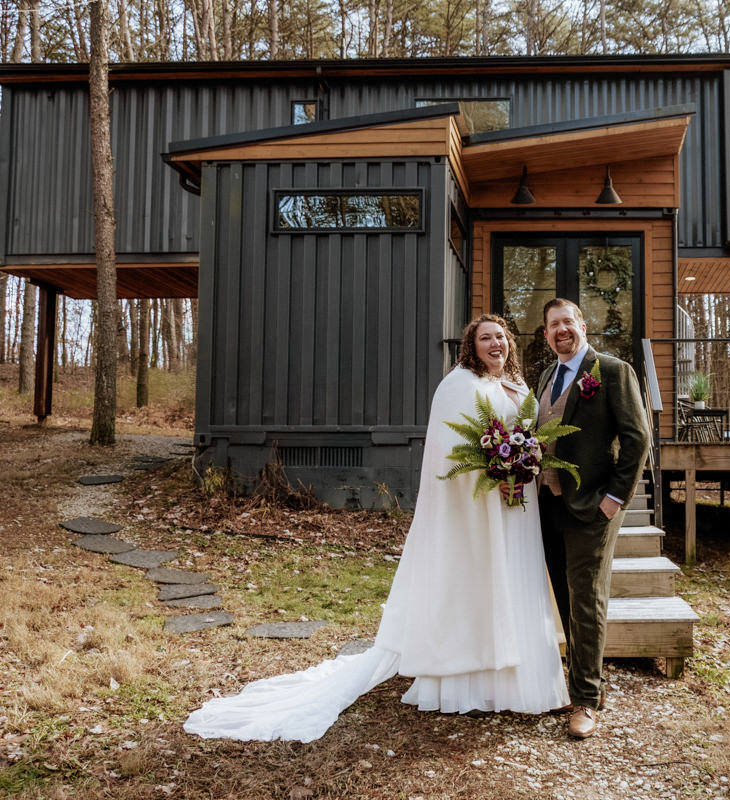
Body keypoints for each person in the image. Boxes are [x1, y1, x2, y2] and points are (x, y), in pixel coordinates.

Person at [183, 314, 569, 742]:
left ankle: (522, 679)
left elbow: (533, 435)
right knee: (481, 579)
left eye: (500, 337)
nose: (495, 344)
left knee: (517, 578)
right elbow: (449, 453)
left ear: (509, 342)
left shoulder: (518, 384)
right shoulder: (460, 384)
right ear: (471, 346)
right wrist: (495, 472)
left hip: (518, 505)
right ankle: (472, 680)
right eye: (485, 338)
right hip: (478, 507)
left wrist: (524, 463)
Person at [534, 297, 649, 740]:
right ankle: (581, 682)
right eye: (552, 325)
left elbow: (638, 441)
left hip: (593, 507)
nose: (561, 330)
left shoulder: (614, 371)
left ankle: (586, 699)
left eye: (568, 322)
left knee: (587, 598)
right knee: (564, 595)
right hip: (549, 505)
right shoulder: (547, 376)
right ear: (545, 335)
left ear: (582, 325)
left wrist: (614, 500)